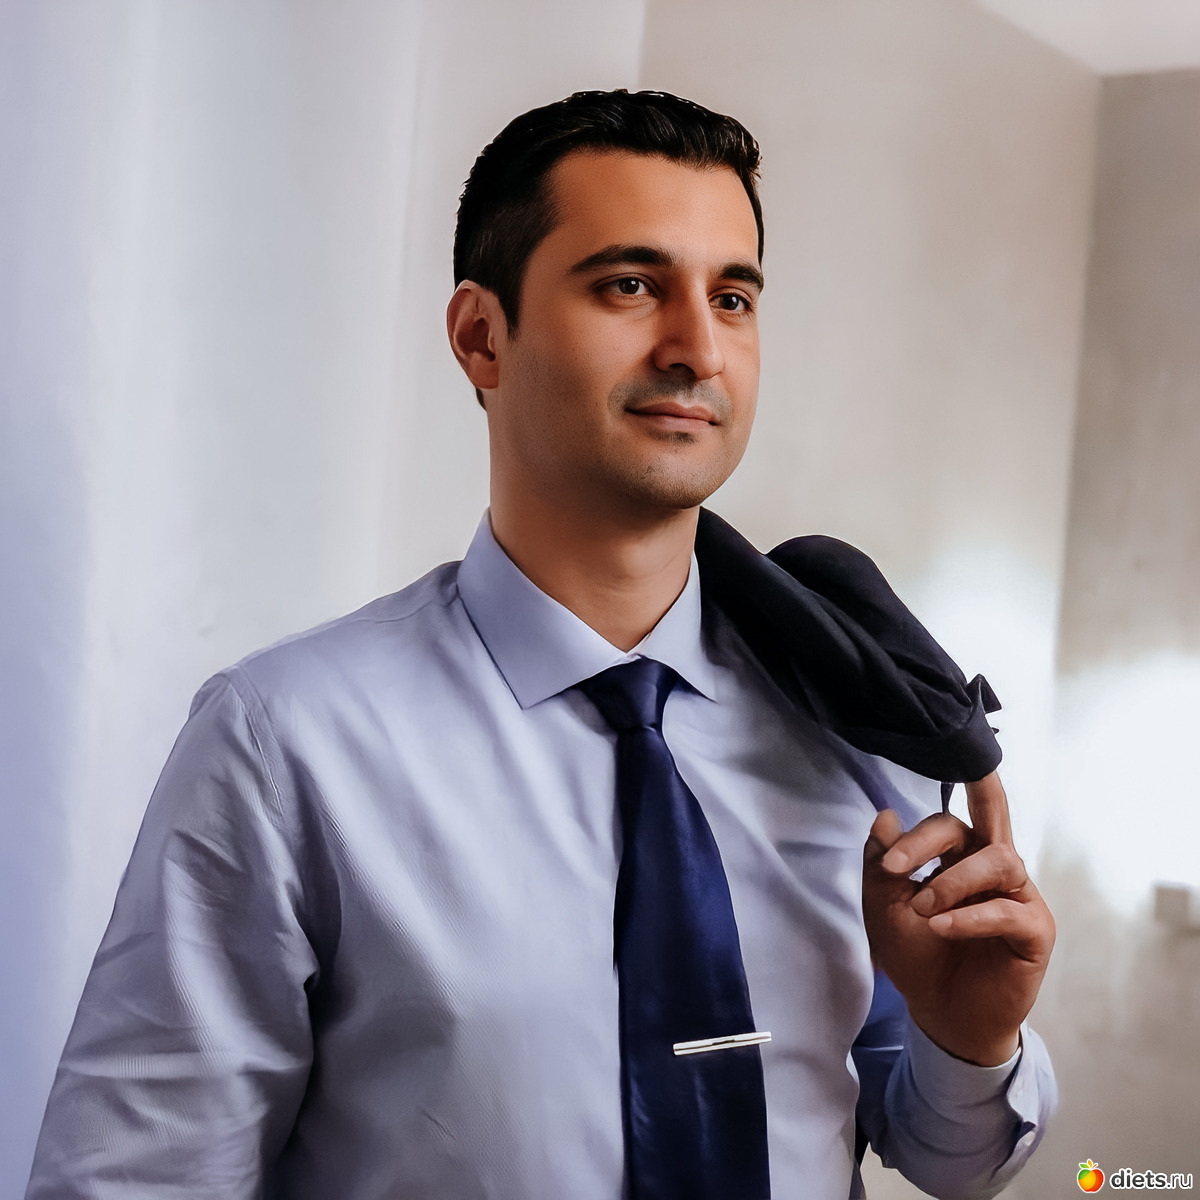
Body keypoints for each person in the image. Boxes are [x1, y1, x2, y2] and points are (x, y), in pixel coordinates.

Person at [27, 89, 1056, 1199]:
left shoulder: (856, 724)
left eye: (733, 297)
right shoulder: (288, 745)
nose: (698, 349)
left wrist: (969, 1045)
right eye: (631, 285)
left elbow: (952, 1158)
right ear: (482, 336)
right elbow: (134, 1180)